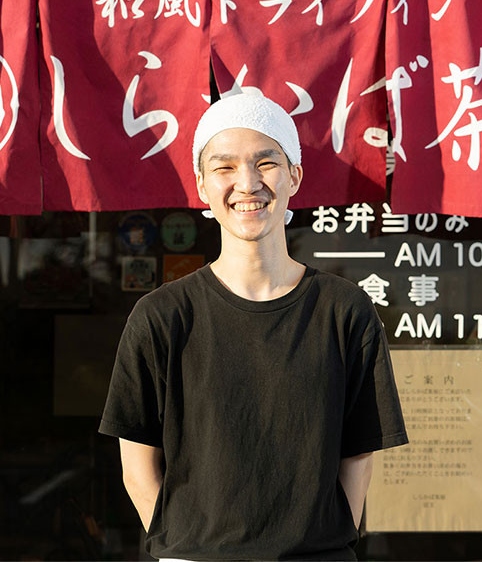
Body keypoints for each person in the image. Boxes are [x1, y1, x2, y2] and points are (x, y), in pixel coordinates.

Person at [99, 92, 407, 560]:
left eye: (266, 163)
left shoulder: (345, 310)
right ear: (202, 184)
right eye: (224, 167)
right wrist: (184, 550)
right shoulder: (163, 316)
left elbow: (358, 452)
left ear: (294, 177)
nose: (247, 183)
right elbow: (137, 464)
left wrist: (322, 545)